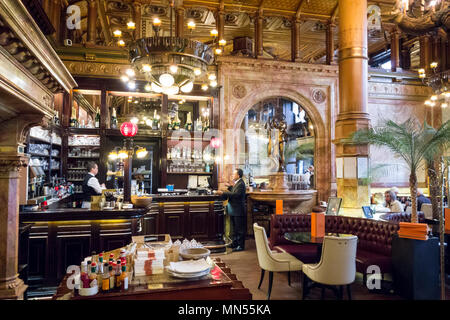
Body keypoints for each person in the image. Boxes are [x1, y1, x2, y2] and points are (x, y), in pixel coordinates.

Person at [215, 168, 246, 252]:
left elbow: (236, 194)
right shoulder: (237, 183)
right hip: (234, 210)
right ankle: (235, 243)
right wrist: (229, 187)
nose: (232, 175)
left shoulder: (241, 184)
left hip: (238, 210)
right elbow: (233, 190)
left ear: (238, 175)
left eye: (234, 174)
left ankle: (240, 246)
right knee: (235, 229)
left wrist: (223, 193)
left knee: (239, 229)